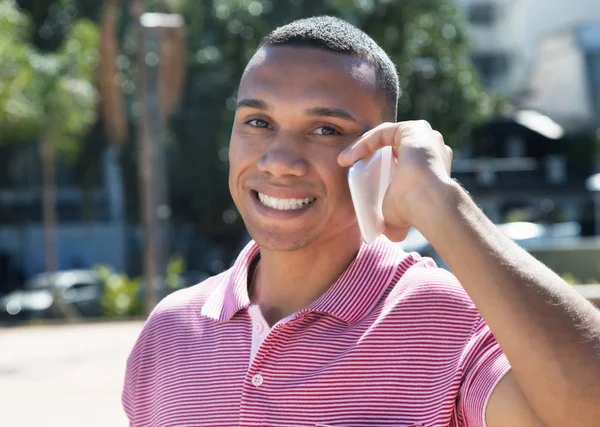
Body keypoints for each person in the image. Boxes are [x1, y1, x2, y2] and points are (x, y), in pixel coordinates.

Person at [122, 16, 600, 427]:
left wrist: (440, 202)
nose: (281, 161)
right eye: (258, 122)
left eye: (325, 130)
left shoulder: (452, 324)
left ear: (381, 157)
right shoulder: (170, 332)